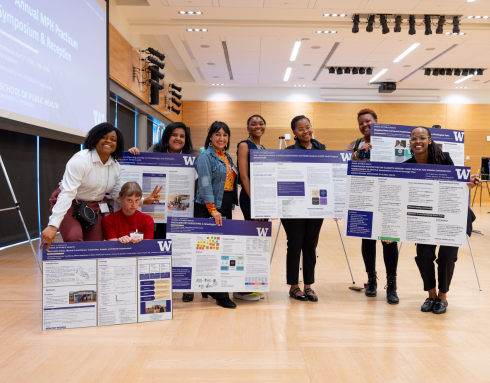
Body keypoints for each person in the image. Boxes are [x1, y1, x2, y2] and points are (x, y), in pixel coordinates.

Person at [40, 123, 161, 251]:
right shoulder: (81, 160)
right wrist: (53, 225)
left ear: (117, 144)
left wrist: (142, 201)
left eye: (113, 139)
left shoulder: (115, 166)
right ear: (95, 138)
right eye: (104, 137)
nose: (108, 141)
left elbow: (116, 194)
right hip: (71, 203)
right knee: (74, 238)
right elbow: (67, 193)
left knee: (96, 246)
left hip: (94, 207)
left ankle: (89, 272)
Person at [404, 127, 479, 314]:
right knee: (424, 255)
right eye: (414, 138)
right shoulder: (407, 166)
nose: (418, 141)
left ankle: (442, 297)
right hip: (424, 219)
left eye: (422, 137)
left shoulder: (443, 158)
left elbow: (457, 184)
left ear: (430, 140)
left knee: (447, 256)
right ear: (410, 142)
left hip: (450, 218)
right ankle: (431, 295)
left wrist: (467, 183)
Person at [345, 109, 400, 304]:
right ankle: (371, 280)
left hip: (387, 198)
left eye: (368, 121)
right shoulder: (353, 145)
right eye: (361, 123)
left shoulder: (391, 143)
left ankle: (392, 285)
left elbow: (403, 166)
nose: (364, 125)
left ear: (377, 121)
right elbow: (342, 170)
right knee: (367, 240)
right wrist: (356, 156)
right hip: (364, 198)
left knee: (389, 241)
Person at [194, 121, 239, 309]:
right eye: (217, 134)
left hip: (225, 206)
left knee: (222, 250)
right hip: (209, 208)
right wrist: (212, 209)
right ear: (210, 137)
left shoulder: (227, 157)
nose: (222, 138)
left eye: (225, 135)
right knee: (213, 252)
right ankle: (221, 295)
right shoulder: (206, 157)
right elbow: (204, 185)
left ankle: (209, 288)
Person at [128, 122, 196, 240]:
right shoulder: (154, 150)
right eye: (174, 135)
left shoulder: (193, 156)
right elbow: (140, 168)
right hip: (156, 209)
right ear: (167, 136)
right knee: (157, 241)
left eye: (182, 136)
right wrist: (133, 154)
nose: (178, 139)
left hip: (180, 210)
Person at [282, 115, 325, 302]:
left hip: (316, 204)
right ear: (294, 133)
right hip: (294, 205)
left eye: (307, 127)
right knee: (295, 244)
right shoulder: (289, 151)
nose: (305, 131)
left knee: (310, 245)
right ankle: (293, 286)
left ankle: (308, 286)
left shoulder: (322, 149)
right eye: (300, 129)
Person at [235, 114, 267, 302]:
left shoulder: (263, 147)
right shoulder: (244, 145)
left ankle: (252, 284)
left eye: (261, 123)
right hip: (251, 199)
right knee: (251, 243)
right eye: (253, 124)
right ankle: (242, 288)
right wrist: (257, 203)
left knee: (259, 243)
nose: (257, 126)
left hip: (263, 200)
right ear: (247, 127)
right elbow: (244, 176)